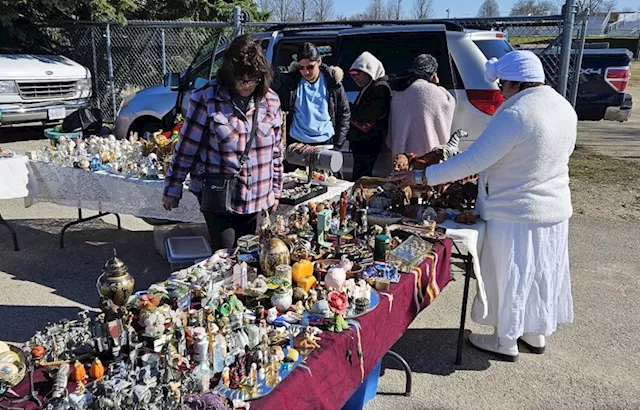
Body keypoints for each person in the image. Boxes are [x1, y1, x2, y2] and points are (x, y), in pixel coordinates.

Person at [391, 50, 576, 362]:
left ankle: (506, 341)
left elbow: (474, 159)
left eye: (503, 85)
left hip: (515, 211)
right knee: (541, 271)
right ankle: (534, 332)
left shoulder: (517, 113)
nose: (500, 91)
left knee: (510, 274)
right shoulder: (562, 106)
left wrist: (424, 176)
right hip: (553, 210)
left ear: (514, 83)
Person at [162, 35, 283, 251]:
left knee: (249, 260)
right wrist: (173, 188)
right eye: (240, 79)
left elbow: (276, 152)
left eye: (252, 79)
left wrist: (276, 190)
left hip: (257, 196)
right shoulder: (206, 98)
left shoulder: (271, 101)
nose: (246, 85)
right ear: (229, 74)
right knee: (225, 260)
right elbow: (186, 148)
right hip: (219, 197)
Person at [276, 42, 350, 169]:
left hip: (325, 144)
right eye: (301, 67)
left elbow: (344, 114)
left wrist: (337, 145)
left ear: (319, 61)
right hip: (297, 144)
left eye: (310, 67)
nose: (305, 72)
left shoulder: (332, 81)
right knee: (296, 184)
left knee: (326, 185)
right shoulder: (290, 82)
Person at [387, 54, 456, 158]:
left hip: (404, 159)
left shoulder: (399, 91)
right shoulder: (438, 93)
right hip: (430, 157)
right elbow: (449, 104)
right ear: (433, 74)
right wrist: (436, 85)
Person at [347, 51, 392, 181]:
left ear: (369, 71)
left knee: (362, 178)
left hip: (368, 142)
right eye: (352, 75)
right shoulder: (369, 86)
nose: (354, 78)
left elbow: (367, 115)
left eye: (357, 74)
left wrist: (347, 107)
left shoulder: (380, 89)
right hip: (362, 142)